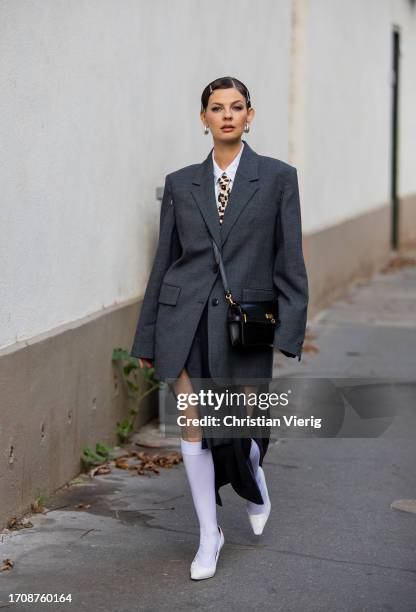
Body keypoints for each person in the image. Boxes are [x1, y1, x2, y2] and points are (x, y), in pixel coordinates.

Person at [130, 76, 309, 580]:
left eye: (236, 107)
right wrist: (146, 335)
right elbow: (164, 261)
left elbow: (289, 259)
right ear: (203, 118)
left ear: (249, 115)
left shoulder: (277, 177)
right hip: (182, 317)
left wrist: (289, 329)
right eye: (216, 107)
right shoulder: (180, 182)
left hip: (242, 323)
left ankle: (251, 468)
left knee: (239, 426)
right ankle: (209, 534)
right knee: (194, 423)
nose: (226, 115)